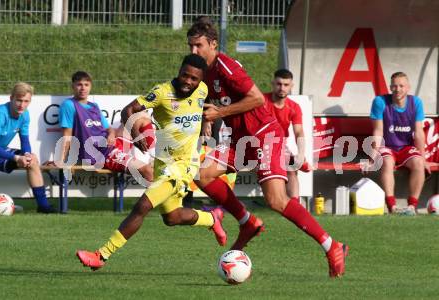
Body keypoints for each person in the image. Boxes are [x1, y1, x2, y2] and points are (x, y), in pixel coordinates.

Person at [188, 17, 348, 277]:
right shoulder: (205, 72)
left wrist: (220, 113)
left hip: (263, 134)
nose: (193, 51)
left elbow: (254, 98)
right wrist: (206, 118)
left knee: (276, 199)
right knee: (203, 175)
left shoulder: (226, 66)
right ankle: (246, 221)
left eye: (198, 46)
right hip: (241, 139)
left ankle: (332, 246)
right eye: (190, 46)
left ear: (213, 44)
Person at [76, 54, 226, 270]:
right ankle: (212, 219)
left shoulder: (203, 88)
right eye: (185, 75)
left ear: (200, 79)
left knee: (143, 205)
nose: (188, 82)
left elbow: (208, 103)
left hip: (184, 166)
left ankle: (101, 255)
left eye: (194, 79)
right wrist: (136, 135)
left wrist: (206, 122)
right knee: (172, 217)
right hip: (163, 163)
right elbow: (128, 110)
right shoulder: (162, 92)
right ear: (179, 71)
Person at [57, 71, 153, 183]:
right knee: (147, 171)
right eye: (79, 84)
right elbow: (67, 136)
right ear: (73, 86)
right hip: (103, 153)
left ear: (90, 86)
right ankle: (152, 197)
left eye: (86, 85)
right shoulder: (69, 105)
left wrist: (111, 135)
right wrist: (62, 160)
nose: (83, 88)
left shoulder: (94, 106)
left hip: (113, 142)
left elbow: (108, 129)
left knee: (142, 117)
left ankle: (152, 156)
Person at [368, 71, 428, 215]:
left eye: (401, 86)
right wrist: (373, 156)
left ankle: (412, 206)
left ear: (408, 87)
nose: (398, 89)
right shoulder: (380, 102)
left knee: (419, 163)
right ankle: (392, 206)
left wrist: (424, 158)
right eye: (394, 86)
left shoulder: (416, 102)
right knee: (387, 161)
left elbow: (419, 133)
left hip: (406, 147)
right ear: (390, 87)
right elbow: (378, 131)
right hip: (386, 146)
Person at [0, 82, 56, 213]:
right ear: (11, 98)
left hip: (1, 151)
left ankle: (43, 207)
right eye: (19, 100)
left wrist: (27, 155)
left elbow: (24, 140)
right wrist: (16, 157)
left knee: (32, 161)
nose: (22, 105)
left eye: (26, 101)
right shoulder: (1, 114)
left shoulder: (25, 115)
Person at [264, 69, 309, 199]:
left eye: (286, 85)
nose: (282, 88)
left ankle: (295, 205)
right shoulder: (261, 101)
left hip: (279, 147)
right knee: (290, 163)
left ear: (291, 86)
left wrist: (301, 154)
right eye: (279, 84)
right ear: (273, 83)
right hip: (258, 144)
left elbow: (299, 131)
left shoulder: (294, 107)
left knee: (292, 167)